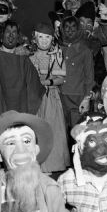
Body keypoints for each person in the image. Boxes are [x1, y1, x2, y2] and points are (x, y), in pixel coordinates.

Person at [29, 22, 71, 173]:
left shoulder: (56, 55)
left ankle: (53, 164)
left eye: (48, 37)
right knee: (34, 129)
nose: (44, 41)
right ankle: (37, 165)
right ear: (35, 38)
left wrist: (46, 82)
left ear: (52, 39)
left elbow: (61, 79)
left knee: (53, 129)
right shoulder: (29, 55)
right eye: (41, 37)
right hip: (34, 97)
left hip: (50, 96)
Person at [0, 20, 45, 117]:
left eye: (14, 32)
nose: (11, 35)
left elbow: (34, 86)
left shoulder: (23, 59)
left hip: (22, 108)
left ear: (18, 37)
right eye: (8, 32)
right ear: (1, 36)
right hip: (1, 109)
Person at [59, 15, 95, 128]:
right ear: (62, 29)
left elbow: (89, 77)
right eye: (67, 27)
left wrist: (86, 98)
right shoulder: (57, 49)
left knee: (78, 132)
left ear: (78, 29)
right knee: (62, 133)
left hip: (78, 98)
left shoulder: (85, 51)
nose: (70, 30)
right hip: (60, 96)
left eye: (73, 26)